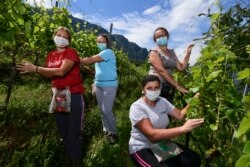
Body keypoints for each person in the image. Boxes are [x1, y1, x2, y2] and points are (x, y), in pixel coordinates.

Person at [16, 26, 84, 166]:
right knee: (63, 128)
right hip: (59, 94)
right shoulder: (51, 55)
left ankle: (76, 160)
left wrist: (35, 69)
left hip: (74, 93)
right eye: (59, 35)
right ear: (54, 36)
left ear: (69, 41)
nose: (61, 38)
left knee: (74, 130)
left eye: (65, 37)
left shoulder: (71, 52)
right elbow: (49, 74)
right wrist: (42, 74)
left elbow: (60, 72)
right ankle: (69, 155)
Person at [129, 75, 204, 167]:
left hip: (161, 143)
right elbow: (152, 136)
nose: (153, 91)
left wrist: (194, 100)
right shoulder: (137, 107)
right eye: (149, 88)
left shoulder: (162, 101)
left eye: (156, 88)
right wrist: (183, 129)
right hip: (143, 146)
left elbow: (180, 115)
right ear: (143, 89)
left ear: (160, 88)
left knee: (194, 160)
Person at [80, 34, 118, 144]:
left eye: (103, 42)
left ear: (107, 43)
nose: (101, 43)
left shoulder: (108, 52)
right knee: (102, 110)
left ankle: (113, 133)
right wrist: (94, 84)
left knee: (107, 111)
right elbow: (98, 72)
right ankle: (106, 130)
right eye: (99, 42)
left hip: (109, 85)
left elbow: (89, 60)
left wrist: (76, 58)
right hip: (98, 85)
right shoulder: (100, 55)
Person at [148, 27, 194, 103]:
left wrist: (188, 53)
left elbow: (181, 67)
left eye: (163, 35)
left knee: (167, 112)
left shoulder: (172, 52)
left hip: (168, 87)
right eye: (158, 37)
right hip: (155, 87)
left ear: (167, 36)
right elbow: (161, 70)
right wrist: (178, 86)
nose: (161, 38)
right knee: (155, 112)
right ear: (155, 40)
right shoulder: (153, 53)